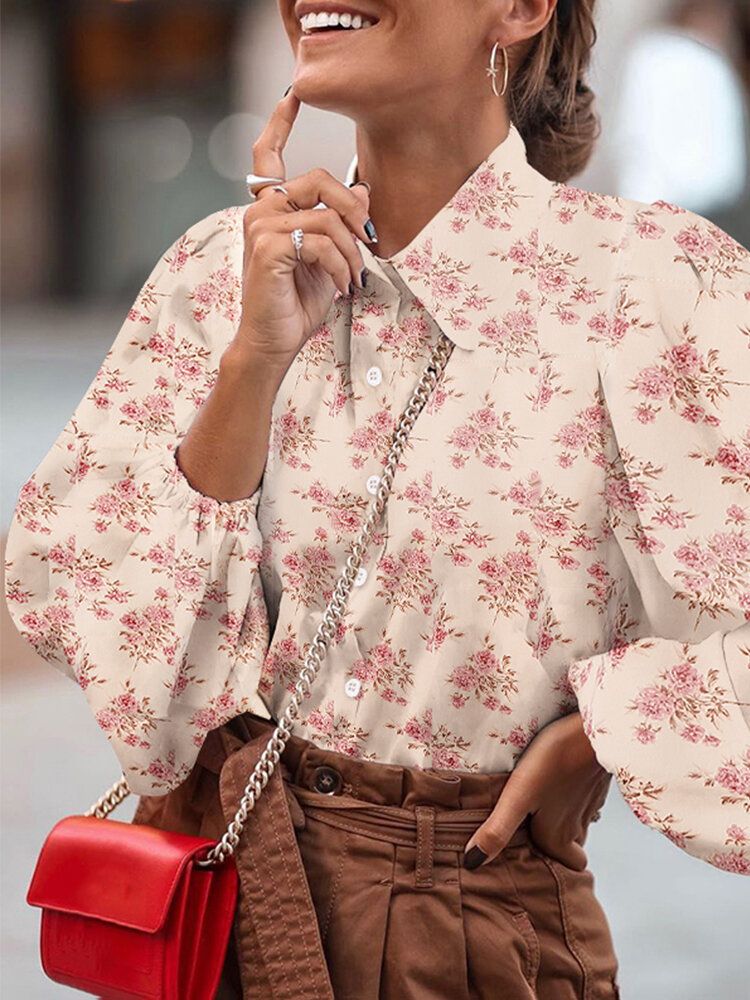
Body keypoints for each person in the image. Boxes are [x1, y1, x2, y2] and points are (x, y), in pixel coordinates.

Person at [5, 1, 749, 997]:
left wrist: (608, 728)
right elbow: (101, 627)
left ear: (520, 10)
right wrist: (253, 363)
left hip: (472, 932)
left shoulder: (650, 286)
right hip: (222, 912)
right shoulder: (215, 273)